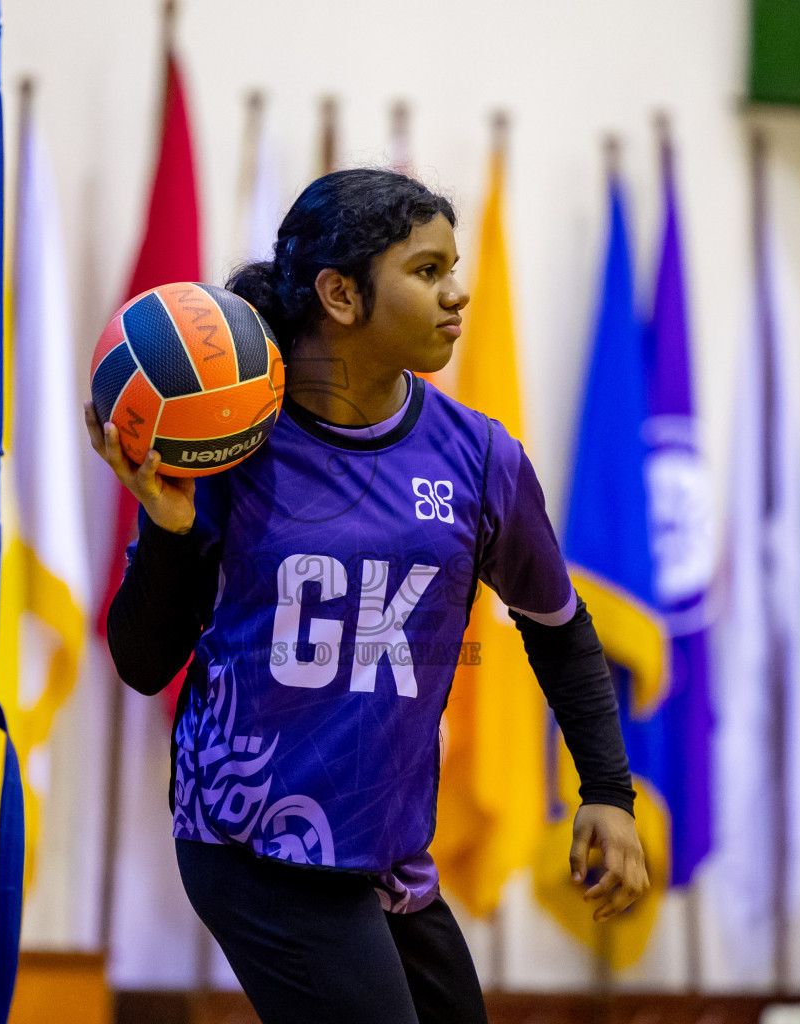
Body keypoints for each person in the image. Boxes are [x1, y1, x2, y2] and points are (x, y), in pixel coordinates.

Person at [85, 168, 648, 1024]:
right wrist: (166, 530)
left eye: (454, 268)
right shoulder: (234, 444)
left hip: (387, 855)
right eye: (427, 272)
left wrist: (606, 790)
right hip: (253, 845)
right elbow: (141, 660)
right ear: (340, 294)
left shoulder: (482, 459)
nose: (456, 295)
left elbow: (559, 629)